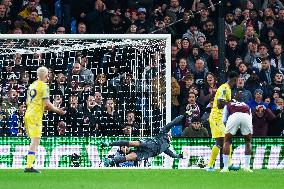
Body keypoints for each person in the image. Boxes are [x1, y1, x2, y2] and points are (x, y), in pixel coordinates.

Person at [24, 66, 65, 173]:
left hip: (28, 114)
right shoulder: (44, 86)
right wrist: (57, 110)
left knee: (33, 140)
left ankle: (29, 164)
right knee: (35, 141)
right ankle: (29, 166)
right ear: (47, 76)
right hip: (35, 116)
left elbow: (33, 102)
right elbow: (47, 103)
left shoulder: (32, 85)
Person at [102, 114, 185, 166]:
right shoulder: (162, 133)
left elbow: (173, 155)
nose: (171, 136)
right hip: (150, 143)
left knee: (129, 157)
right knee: (131, 143)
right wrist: (184, 115)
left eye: (171, 137)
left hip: (149, 153)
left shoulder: (166, 148)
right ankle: (109, 143)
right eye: (170, 135)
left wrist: (180, 156)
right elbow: (173, 123)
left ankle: (110, 161)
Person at [207, 71, 238, 171]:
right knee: (222, 141)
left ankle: (227, 164)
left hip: (222, 118)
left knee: (226, 140)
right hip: (217, 117)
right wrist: (232, 102)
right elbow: (220, 104)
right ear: (234, 79)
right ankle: (210, 165)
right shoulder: (224, 88)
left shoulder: (227, 89)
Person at [220, 90, 253, 172]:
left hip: (234, 115)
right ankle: (247, 167)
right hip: (246, 116)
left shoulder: (229, 104)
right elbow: (250, 118)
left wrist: (229, 129)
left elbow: (224, 120)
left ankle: (225, 167)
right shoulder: (247, 105)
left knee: (227, 141)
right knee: (248, 141)